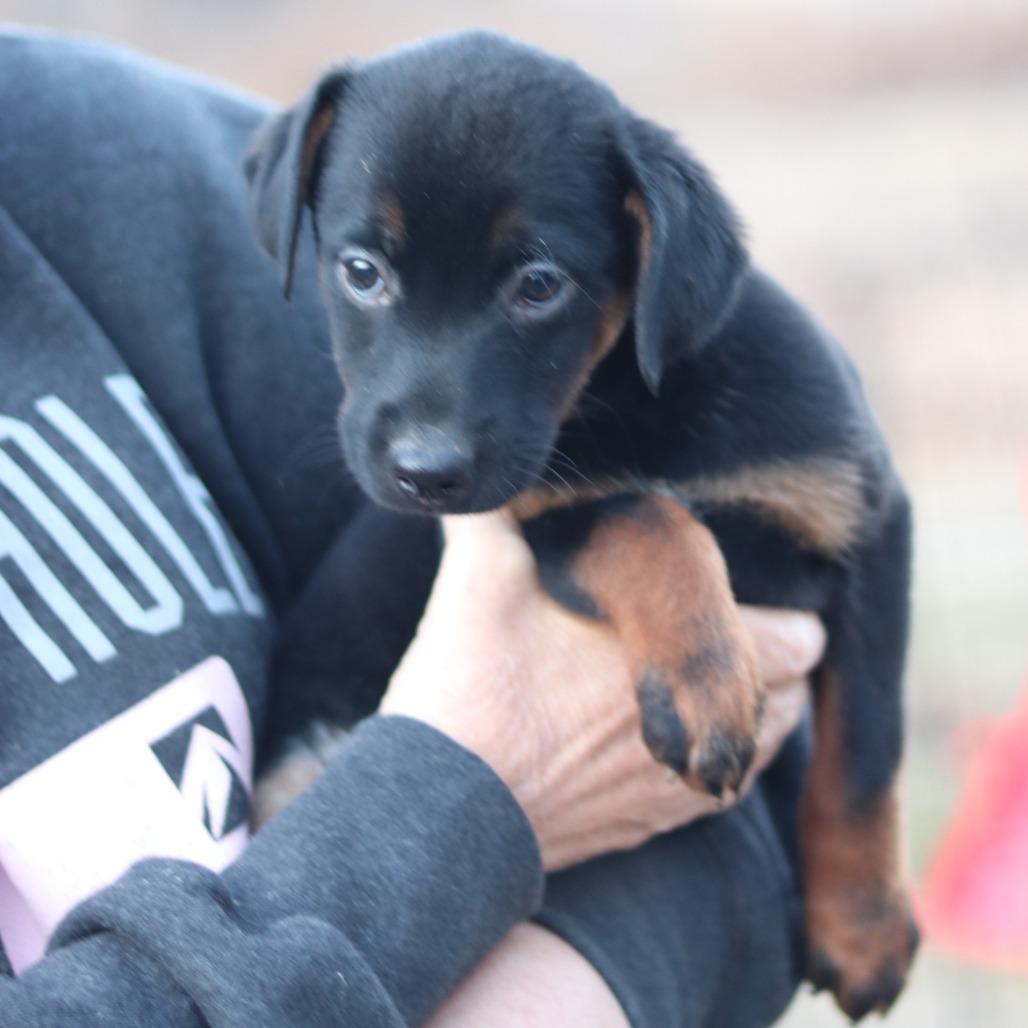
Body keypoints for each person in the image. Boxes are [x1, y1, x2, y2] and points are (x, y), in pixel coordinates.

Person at [0, 29, 822, 1027]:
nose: (424, 435)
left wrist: (562, 973)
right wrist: (461, 796)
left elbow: (736, 756)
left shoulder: (96, 153)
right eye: (365, 274)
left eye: (531, 286)